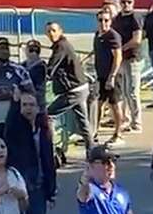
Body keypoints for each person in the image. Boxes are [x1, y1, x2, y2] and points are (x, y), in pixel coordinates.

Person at [44, 22, 93, 153]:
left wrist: (40, 75)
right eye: (48, 31)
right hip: (80, 87)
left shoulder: (61, 47)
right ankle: (92, 151)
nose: (51, 34)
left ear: (60, 31)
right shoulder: (62, 45)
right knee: (83, 122)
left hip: (74, 90)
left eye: (54, 30)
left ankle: (50, 149)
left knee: (48, 115)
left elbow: (51, 68)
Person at [112, 0, 143, 134]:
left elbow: (137, 39)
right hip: (122, 59)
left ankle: (137, 122)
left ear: (133, 3)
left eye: (129, 2)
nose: (126, 4)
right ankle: (126, 118)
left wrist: (122, 48)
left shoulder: (135, 17)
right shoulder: (117, 18)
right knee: (124, 91)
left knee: (132, 92)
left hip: (133, 58)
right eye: (123, 2)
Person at [94, 9, 125, 146]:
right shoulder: (97, 35)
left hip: (112, 76)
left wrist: (111, 77)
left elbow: (118, 57)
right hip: (100, 76)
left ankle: (118, 133)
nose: (103, 23)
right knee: (99, 104)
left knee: (115, 105)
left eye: (106, 20)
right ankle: (94, 131)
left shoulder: (113, 36)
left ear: (110, 21)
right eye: (100, 20)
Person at [22, 39, 47, 109]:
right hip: (24, 103)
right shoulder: (23, 65)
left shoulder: (41, 67)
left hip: (37, 103)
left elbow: (36, 87)